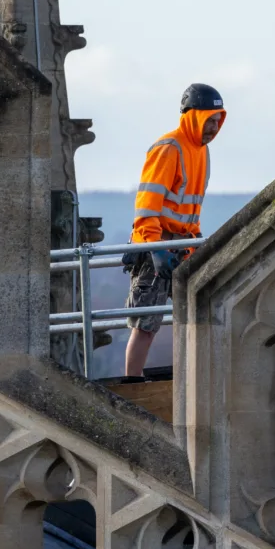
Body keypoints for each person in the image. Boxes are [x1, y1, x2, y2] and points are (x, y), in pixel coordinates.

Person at [121, 83, 226, 378]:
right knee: (146, 323)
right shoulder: (169, 147)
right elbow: (146, 206)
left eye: (218, 121)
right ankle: (132, 384)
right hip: (156, 244)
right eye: (209, 120)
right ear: (193, 116)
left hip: (183, 245)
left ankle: (195, 378)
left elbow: (190, 210)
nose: (214, 128)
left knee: (196, 317)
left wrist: (193, 246)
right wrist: (154, 248)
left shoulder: (201, 152)